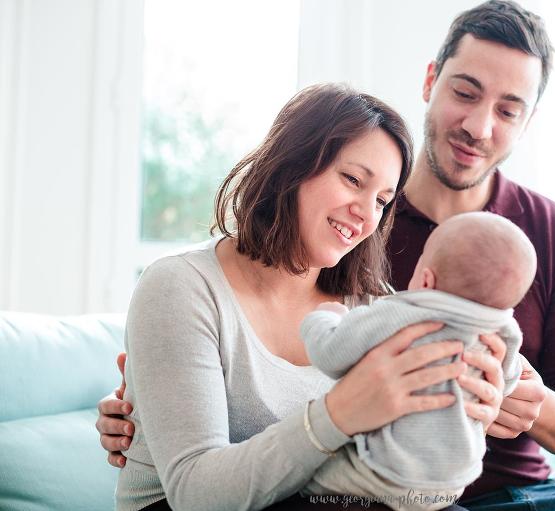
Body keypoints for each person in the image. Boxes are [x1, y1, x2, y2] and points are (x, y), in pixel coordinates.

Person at [99, 2, 555, 510]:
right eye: (466, 93)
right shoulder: (348, 258)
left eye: (508, 109)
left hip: (512, 490)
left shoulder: (540, 238)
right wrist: (152, 407)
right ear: (431, 81)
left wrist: (531, 401)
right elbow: (241, 415)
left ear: (527, 122)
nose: (479, 126)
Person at [108, 82, 508, 511]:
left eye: (382, 201)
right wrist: (339, 414)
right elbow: (194, 493)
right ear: (292, 165)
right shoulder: (181, 286)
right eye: (353, 179)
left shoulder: (373, 307)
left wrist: (469, 407)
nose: (365, 212)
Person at [299, 212, 537, 510]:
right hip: (450, 485)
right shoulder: (505, 333)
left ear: (426, 279)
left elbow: (330, 355)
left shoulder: (403, 313)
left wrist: (323, 319)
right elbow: (507, 381)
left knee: (303, 480)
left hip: (384, 474)